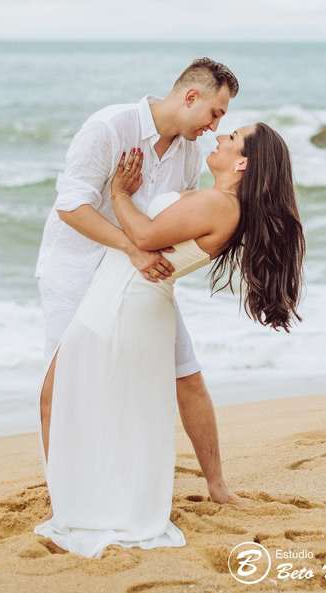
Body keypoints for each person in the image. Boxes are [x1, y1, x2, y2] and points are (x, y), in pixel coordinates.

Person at [33, 122, 305, 556]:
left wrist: (119, 193)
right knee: (100, 398)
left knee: (62, 392)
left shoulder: (220, 204)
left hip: (126, 299)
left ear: (242, 162)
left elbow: (144, 237)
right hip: (129, 297)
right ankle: (87, 496)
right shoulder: (217, 200)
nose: (219, 137)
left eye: (230, 137)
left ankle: (85, 503)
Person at [34, 58, 240, 504]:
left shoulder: (187, 150)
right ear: (191, 97)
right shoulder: (110, 128)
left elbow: (171, 221)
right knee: (63, 380)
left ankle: (218, 486)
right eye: (215, 113)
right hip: (77, 268)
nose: (215, 124)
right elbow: (71, 208)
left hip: (140, 277)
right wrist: (132, 247)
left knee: (186, 371)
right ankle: (62, 492)